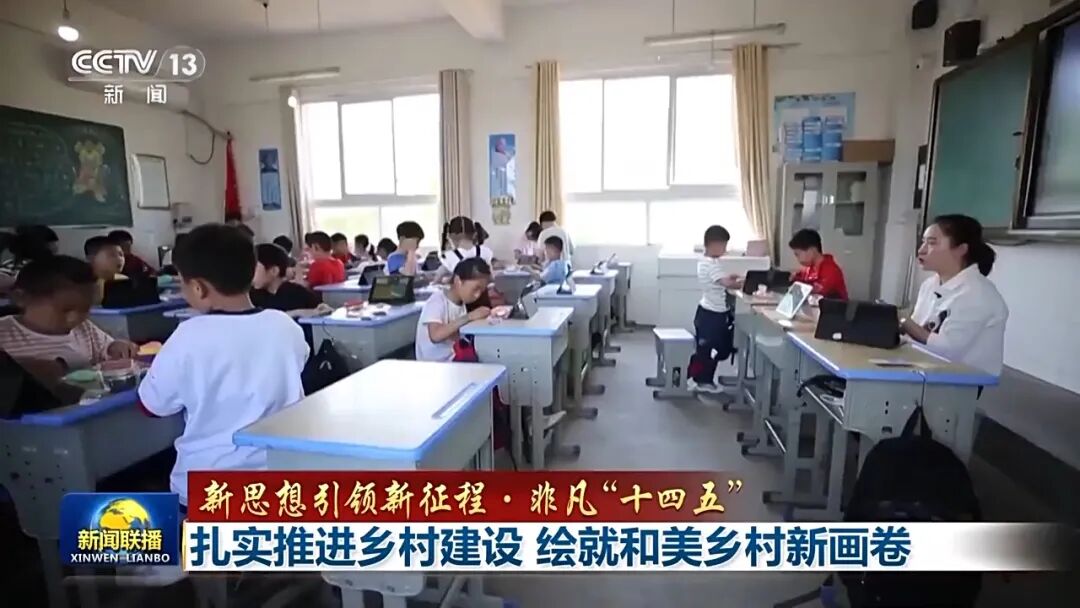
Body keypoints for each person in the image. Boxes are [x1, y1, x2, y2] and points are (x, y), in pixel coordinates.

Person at [138, 223, 309, 508]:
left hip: (210, 486)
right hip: (282, 477)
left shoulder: (188, 336)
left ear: (198, 288)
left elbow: (153, 406)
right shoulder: (284, 324)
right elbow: (299, 363)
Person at [0, 255, 138, 381]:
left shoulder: (84, 328)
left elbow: (106, 349)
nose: (75, 318)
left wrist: (116, 347)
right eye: (66, 310)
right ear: (21, 298)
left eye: (84, 309)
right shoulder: (4, 333)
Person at [901, 214, 1009, 376]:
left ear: (961, 249)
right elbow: (914, 333)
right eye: (923, 242)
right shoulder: (930, 284)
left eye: (932, 243)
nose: (921, 250)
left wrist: (903, 321)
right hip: (925, 367)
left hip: (963, 380)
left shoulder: (977, 294)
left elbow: (947, 349)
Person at [690, 225, 741, 393]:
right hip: (712, 315)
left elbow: (720, 280)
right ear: (713, 244)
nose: (725, 249)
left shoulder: (707, 262)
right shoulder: (710, 264)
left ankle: (697, 378)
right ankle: (702, 380)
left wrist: (730, 278)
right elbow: (725, 283)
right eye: (723, 245)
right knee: (709, 350)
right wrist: (743, 283)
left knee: (708, 349)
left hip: (709, 312)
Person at [415, 257, 493, 361]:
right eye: (475, 289)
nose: (477, 295)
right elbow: (435, 336)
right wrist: (469, 317)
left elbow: (456, 335)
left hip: (452, 358)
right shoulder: (437, 301)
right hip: (434, 364)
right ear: (458, 281)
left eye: (481, 291)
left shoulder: (461, 304)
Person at [251, 243, 330, 318]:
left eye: (254, 268)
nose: (249, 273)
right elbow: (260, 319)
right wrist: (297, 312)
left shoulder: (298, 293)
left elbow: (324, 309)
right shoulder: (251, 297)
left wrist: (322, 308)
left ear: (274, 271)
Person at [788, 228, 848, 300]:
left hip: (833, 306)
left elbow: (817, 292)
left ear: (812, 250)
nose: (797, 259)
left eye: (797, 254)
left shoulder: (831, 270)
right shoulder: (809, 270)